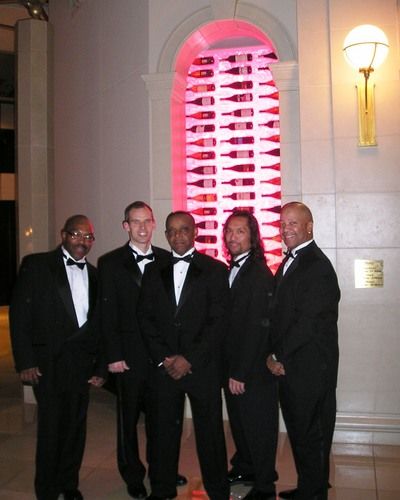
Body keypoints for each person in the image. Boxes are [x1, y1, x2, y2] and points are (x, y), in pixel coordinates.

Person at [9, 215, 106, 500]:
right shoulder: (37, 265)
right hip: (47, 364)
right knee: (51, 429)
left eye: (88, 237)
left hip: (81, 365)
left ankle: (69, 483)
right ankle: (47, 489)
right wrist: (25, 361)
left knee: (76, 428)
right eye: (76, 234)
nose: (82, 241)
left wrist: (100, 366)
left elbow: (100, 325)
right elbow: (20, 315)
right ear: (63, 234)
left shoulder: (96, 275)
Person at [138, 211, 230, 500]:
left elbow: (218, 321)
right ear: (166, 235)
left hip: (201, 367)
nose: (178, 235)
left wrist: (189, 358)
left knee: (210, 434)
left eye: (184, 229)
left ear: (195, 232)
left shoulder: (215, 270)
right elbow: (145, 318)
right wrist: (164, 357)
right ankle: (162, 489)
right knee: (162, 433)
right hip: (165, 368)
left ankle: (218, 491)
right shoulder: (153, 271)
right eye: (172, 230)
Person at [98, 201, 186, 499]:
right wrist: (113, 355)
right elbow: (107, 313)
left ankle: (164, 471)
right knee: (128, 422)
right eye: (135, 222)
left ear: (154, 223)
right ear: (126, 226)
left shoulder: (167, 259)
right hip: (129, 357)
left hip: (161, 357)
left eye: (147, 221)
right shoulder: (110, 263)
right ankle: (132, 475)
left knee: (164, 421)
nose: (142, 227)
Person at [267, 202, 340, 500]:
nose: (286, 229)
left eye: (293, 223)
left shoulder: (317, 266)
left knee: (313, 436)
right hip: (294, 367)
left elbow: (308, 322)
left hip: (310, 370)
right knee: (301, 434)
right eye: (283, 223)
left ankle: (314, 493)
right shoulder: (292, 260)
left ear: (309, 226)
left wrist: (277, 356)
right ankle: (309, 488)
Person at [223, 210, 278, 500]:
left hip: (252, 370)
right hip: (234, 365)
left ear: (253, 237)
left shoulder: (257, 274)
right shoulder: (233, 268)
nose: (233, 236)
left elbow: (257, 329)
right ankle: (245, 467)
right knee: (241, 423)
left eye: (240, 231)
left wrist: (240, 372)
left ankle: (265, 486)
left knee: (259, 428)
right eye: (229, 231)